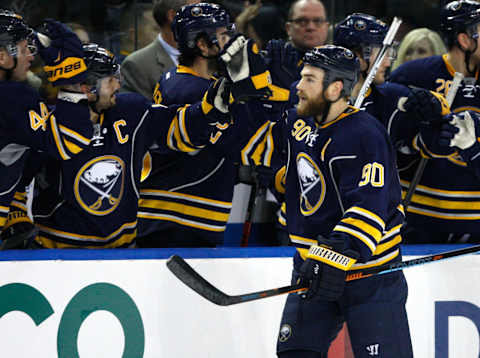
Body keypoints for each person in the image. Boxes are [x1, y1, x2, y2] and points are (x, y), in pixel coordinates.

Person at [258, 45, 413, 357]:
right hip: (312, 267)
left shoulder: (365, 135)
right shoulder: (295, 123)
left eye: (309, 80)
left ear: (335, 88)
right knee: (295, 353)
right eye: (301, 77)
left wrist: (335, 257)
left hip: (369, 274)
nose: (298, 87)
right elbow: (260, 155)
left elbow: (369, 207)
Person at [30, 40, 251, 248]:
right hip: (58, 252)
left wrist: (211, 106)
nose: (118, 84)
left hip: (122, 251)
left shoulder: (130, 111)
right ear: (87, 88)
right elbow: (20, 180)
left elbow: (177, 126)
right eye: (110, 79)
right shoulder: (50, 128)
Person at [0, 12, 95, 248]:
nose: (30, 57)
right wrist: (69, 77)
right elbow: (70, 141)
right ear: (2, 57)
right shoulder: (12, 97)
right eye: (23, 50)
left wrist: (16, 207)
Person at [389, 0, 480, 244]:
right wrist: (415, 139)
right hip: (419, 221)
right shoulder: (412, 76)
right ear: (465, 40)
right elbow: (382, 143)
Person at [120, 0, 198, 99]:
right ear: (173, 16)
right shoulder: (137, 65)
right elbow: (141, 112)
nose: (205, 17)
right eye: (196, 12)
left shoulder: (210, 55)